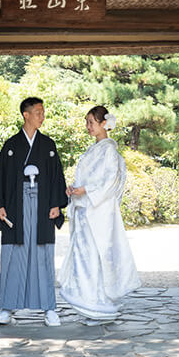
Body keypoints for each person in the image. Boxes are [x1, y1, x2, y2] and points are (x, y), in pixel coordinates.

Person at [0, 96, 68, 326]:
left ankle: (49, 308)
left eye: (43, 112)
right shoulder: (11, 145)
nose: (42, 116)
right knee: (13, 256)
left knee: (43, 255)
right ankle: (6, 308)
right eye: (38, 112)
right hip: (15, 206)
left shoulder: (48, 145)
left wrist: (56, 204)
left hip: (42, 205)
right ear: (26, 115)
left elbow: (56, 176)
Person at [59, 104, 142, 321]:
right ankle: (89, 303)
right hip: (85, 211)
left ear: (104, 123)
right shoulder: (92, 150)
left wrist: (85, 189)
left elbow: (109, 182)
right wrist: (74, 188)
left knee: (98, 257)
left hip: (100, 213)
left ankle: (100, 303)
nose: (88, 127)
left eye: (91, 122)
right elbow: (86, 179)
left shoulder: (109, 151)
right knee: (85, 257)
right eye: (86, 122)